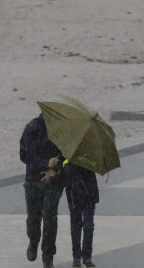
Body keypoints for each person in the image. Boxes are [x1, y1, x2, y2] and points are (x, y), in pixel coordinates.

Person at [20, 113, 65, 268]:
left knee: (50, 218)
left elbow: (69, 157)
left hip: (54, 182)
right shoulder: (32, 128)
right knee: (33, 218)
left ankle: (48, 256)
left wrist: (56, 168)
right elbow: (24, 155)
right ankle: (33, 241)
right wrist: (46, 164)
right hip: (33, 180)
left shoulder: (63, 130)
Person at [63, 160, 99, 268]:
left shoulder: (91, 152)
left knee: (88, 226)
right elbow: (65, 170)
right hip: (74, 193)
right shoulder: (67, 152)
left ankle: (87, 257)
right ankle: (76, 257)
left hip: (89, 192)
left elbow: (95, 166)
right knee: (76, 226)